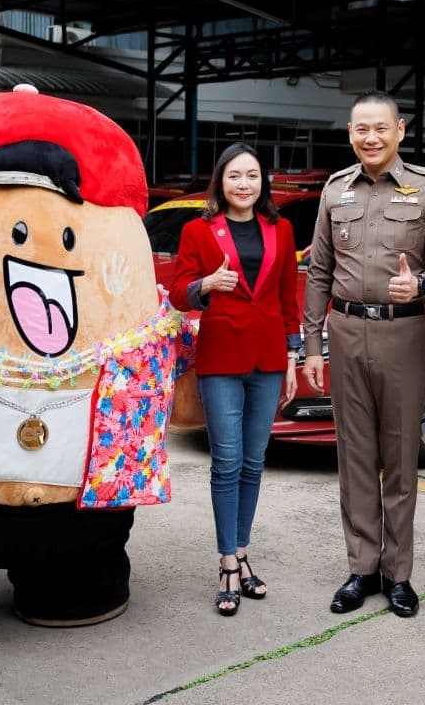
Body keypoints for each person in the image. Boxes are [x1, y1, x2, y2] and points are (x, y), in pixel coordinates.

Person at [302, 91, 425, 618]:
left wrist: (421, 285)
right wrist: (312, 345)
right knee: (354, 458)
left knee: (400, 457)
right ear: (350, 133)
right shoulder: (335, 191)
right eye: (361, 129)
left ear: (400, 130)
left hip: (403, 335)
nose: (371, 138)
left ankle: (398, 574)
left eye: (381, 128)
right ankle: (362, 569)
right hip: (346, 332)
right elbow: (319, 272)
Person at [170, 142, 301, 616]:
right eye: (234, 176)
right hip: (221, 357)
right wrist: (206, 285)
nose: (243, 184)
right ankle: (227, 561)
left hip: (268, 358)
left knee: (253, 461)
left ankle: (242, 553)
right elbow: (178, 294)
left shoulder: (281, 229)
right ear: (220, 182)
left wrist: (292, 356)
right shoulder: (198, 230)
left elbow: (287, 297)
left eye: (251, 176)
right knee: (226, 462)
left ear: (262, 182)